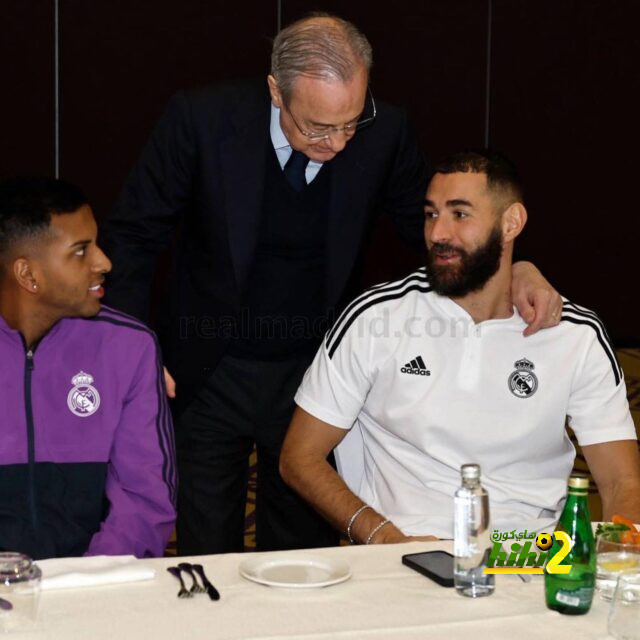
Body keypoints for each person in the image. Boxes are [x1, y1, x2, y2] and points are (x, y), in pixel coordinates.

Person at [101, 14, 562, 555]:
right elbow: (132, 236)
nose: (340, 141)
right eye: (318, 127)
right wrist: (135, 346)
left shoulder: (385, 130)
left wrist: (517, 265)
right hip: (208, 366)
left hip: (317, 373)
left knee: (301, 547)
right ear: (276, 91)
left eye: (351, 121)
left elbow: (442, 233)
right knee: (208, 545)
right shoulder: (202, 120)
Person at [280, 150, 640, 544]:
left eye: (459, 214)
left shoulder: (576, 335)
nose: (437, 233)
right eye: (431, 214)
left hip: (525, 557)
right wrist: (382, 538)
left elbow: (621, 480)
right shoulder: (377, 318)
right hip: (401, 555)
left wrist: (617, 565)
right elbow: (299, 458)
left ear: (511, 223)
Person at [0, 177, 176, 560]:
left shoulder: (129, 347)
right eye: (81, 251)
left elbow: (144, 500)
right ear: (28, 275)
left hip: (95, 588)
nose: (104, 263)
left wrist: (89, 582)